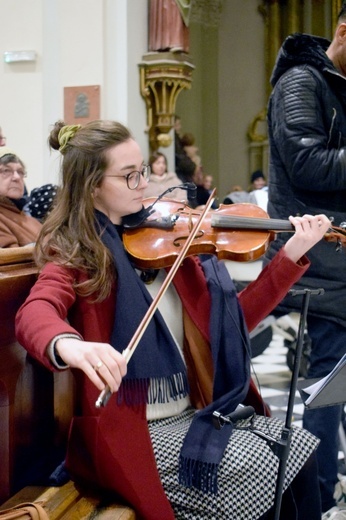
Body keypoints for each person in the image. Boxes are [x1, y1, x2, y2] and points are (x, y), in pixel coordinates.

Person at [15, 119, 331, 520]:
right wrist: (70, 344)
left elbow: (231, 326)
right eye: (129, 177)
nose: (143, 186)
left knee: (301, 452)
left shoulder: (170, 247)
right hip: (135, 435)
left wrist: (289, 256)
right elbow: (35, 312)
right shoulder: (77, 255)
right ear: (92, 185)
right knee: (268, 469)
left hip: (194, 414)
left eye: (142, 171)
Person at [264, 4, 346, 516]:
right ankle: (311, 504)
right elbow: (307, 162)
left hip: (340, 261)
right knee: (325, 393)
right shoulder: (300, 81)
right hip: (318, 263)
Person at [0, 147, 42, 247]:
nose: (17, 177)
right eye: (6, 171)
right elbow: (9, 260)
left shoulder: (32, 221)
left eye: (20, 171)